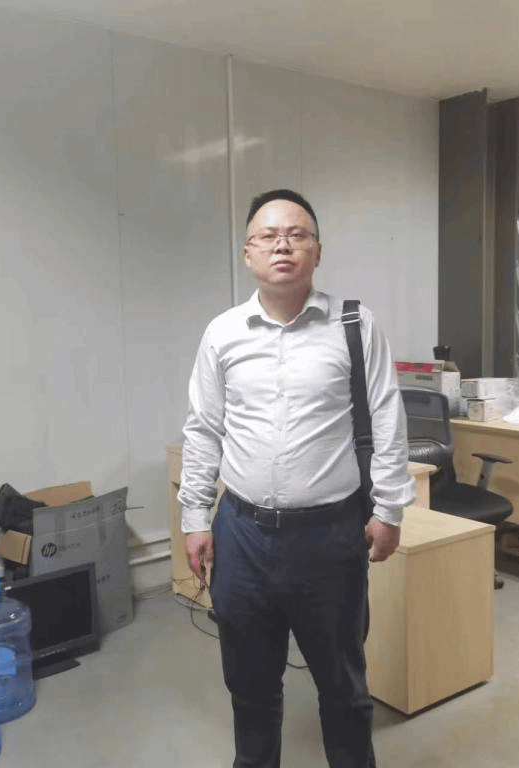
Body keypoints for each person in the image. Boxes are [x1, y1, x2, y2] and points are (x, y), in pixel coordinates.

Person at [179, 189, 414, 767]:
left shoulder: (354, 325)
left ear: (318, 250)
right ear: (248, 253)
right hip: (242, 534)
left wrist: (389, 510)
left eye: (297, 234)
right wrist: (194, 517)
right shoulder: (223, 333)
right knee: (250, 688)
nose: (282, 245)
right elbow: (204, 428)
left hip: (330, 536)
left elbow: (387, 419)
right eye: (268, 236)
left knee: (344, 687)